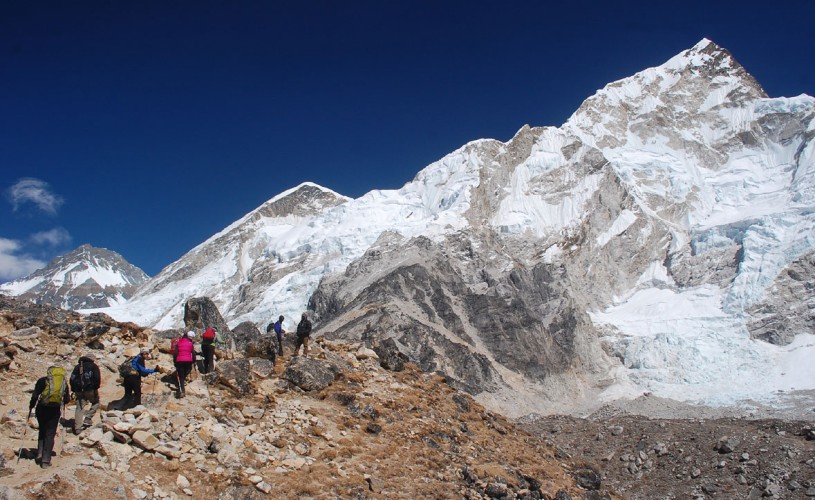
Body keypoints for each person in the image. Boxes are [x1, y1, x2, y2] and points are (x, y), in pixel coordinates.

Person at [29, 366, 70, 468]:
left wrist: (31, 406)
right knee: (50, 433)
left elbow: (35, 395)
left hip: (41, 409)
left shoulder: (42, 381)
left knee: (42, 430)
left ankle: (39, 454)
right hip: (54, 410)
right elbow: (67, 400)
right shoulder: (63, 384)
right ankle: (46, 460)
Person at [69, 353, 101, 434]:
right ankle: (88, 417)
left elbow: (72, 379)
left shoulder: (77, 367)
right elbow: (97, 378)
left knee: (79, 407)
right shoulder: (93, 366)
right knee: (96, 402)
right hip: (90, 389)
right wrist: (95, 388)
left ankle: (77, 428)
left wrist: (73, 389)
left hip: (78, 390)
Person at [173, 331, 196, 398]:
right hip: (188, 361)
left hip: (180, 361)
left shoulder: (179, 343)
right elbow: (193, 353)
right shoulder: (190, 343)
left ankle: (182, 390)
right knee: (188, 369)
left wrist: (175, 362)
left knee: (181, 376)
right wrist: (194, 361)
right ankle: (183, 380)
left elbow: (175, 353)